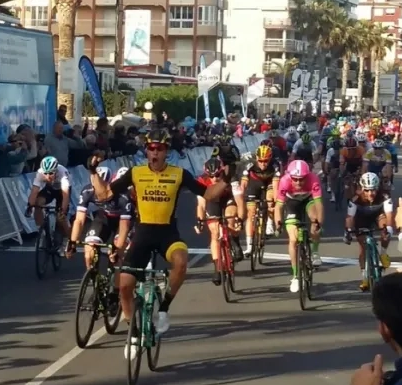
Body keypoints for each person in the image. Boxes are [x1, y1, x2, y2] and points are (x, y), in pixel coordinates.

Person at [90, 129, 227, 347]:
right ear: (146, 150)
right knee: (125, 285)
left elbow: (209, 194)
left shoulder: (179, 174)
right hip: (143, 234)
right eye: (151, 148)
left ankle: (164, 307)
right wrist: (93, 172)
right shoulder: (136, 173)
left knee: (181, 263)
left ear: (166, 152)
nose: (154, 152)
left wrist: (227, 177)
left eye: (159, 148)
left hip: (167, 234)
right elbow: (104, 195)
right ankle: (133, 332)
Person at [66, 166, 133, 280]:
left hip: (123, 221)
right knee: (89, 251)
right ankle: (93, 280)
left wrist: (117, 248)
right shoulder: (88, 191)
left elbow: (125, 225)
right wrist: (72, 242)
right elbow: (79, 220)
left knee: (117, 255)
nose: (97, 191)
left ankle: (115, 291)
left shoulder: (122, 196)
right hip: (104, 217)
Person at [274, 160, 324, 293]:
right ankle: (295, 276)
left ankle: (314, 252)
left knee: (314, 219)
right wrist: (278, 223)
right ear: (290, 177)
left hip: (308, 200)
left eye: (301, 179)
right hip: (292, 203)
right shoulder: (284, 181)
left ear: (307, 176)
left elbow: (319, 204)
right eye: (295, 179)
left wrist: (319, 222)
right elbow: (278, 206)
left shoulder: (313, 179)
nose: (298, 182)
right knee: (293, 239)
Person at [196, 157, 244, 285]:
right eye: (210, 176)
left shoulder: (231, 178)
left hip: (228, 199)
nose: (214, 179)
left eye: (217, 175)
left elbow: (239, 201)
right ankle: (217, 268)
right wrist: (200, 221)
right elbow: (201, 205)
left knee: (230, 217)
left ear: (222, 172)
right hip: (213, 202)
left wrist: (240, 218)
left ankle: (235, 241)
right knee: (214, 232)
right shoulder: (201, 181)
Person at [344, 173, 394, 292]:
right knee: (363, 246)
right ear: (362, 188)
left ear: (377, 188)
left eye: (373, 190)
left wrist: (388, 229)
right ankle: (365, 277)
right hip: (361, 219)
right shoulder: (355, 199)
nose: (370, 194)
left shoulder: (385, 196)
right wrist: (348, 231)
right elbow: (350, 217)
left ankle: (383, 253)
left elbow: (389, 216)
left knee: (385, 231)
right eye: (366, 190)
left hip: (378, 215)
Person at [241, 144, 281, 254]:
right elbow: (243, 183)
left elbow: (276, 186)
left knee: (270, 198)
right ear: (257, 158)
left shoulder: (275, 165)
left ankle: (269, 223)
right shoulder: (249, 163)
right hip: (254, 184)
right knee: (251, 214)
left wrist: (276, 202)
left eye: (266, 161)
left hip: (269, 183)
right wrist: (240, 200)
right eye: (261, 161)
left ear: (270, 159)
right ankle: (249, 246)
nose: (263, 163)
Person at [26, 156, 71, 241]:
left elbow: (65, 196)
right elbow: (34, 191)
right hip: (50, 189)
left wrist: (63, 211)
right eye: (45, 173)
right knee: (38, 203)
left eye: (51, 173)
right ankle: (42, 233)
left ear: (56, 171)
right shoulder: (40, 173)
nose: (47, 176)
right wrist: (30, 206)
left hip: (62, 191)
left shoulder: (63, 173)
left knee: (61, 218)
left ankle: (69, 240)